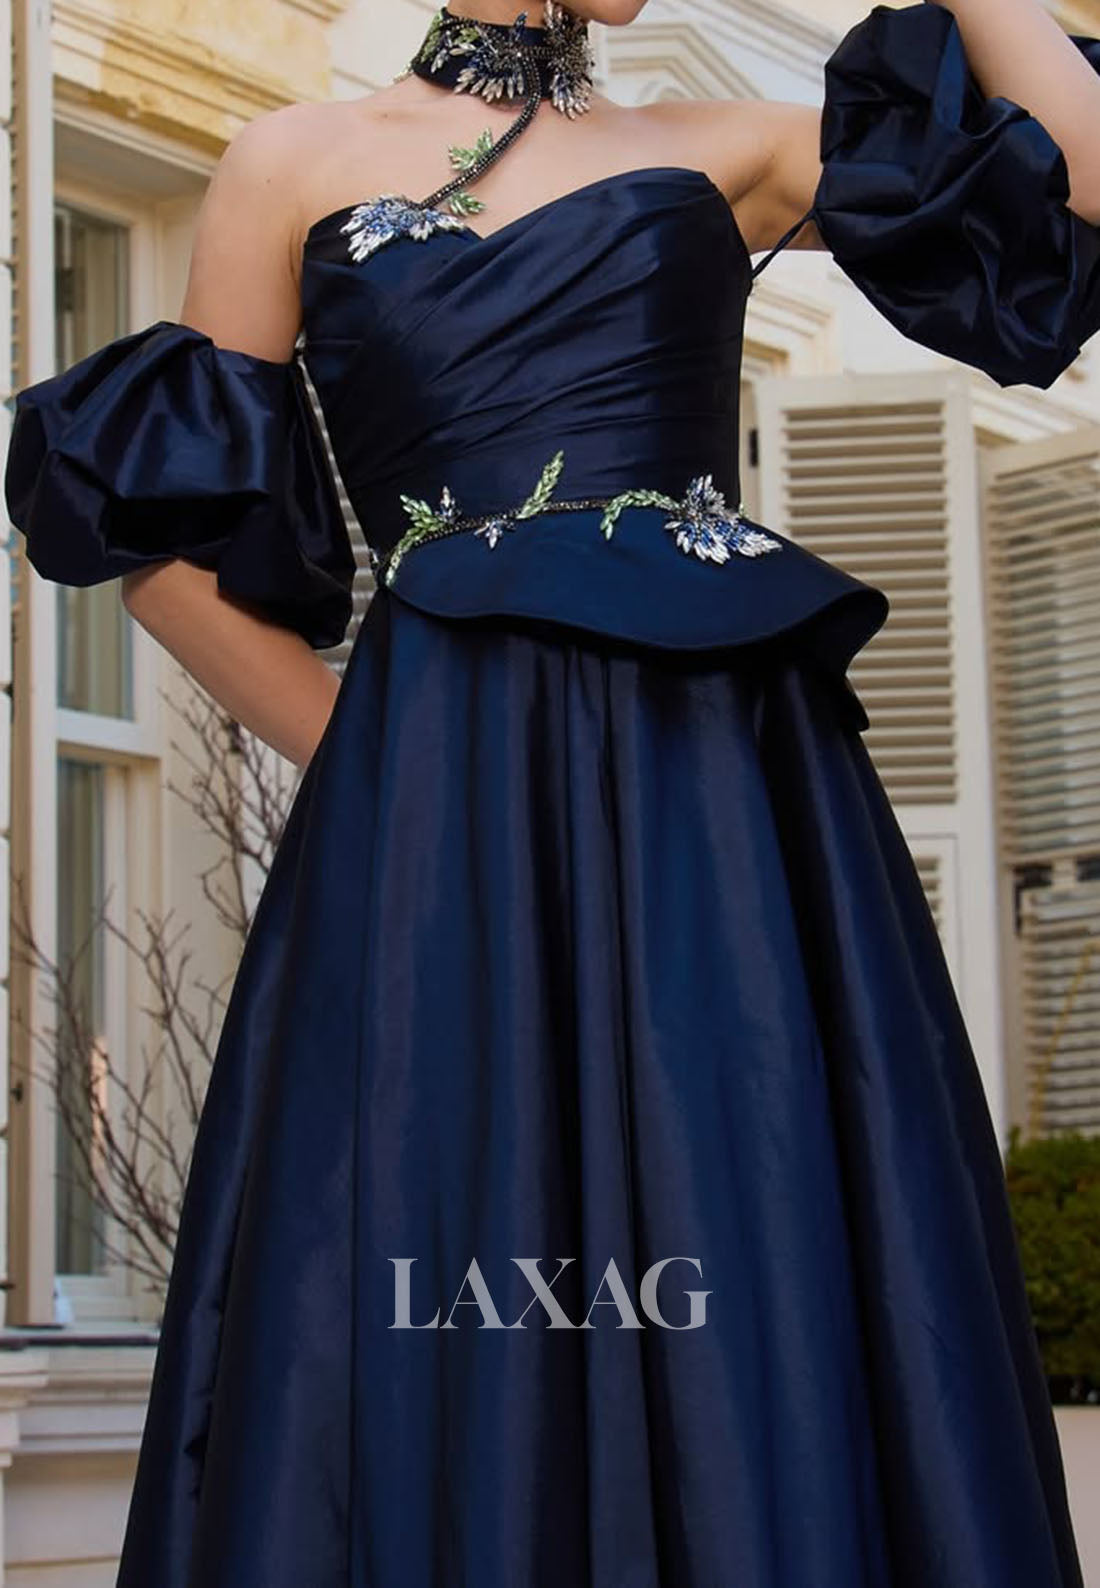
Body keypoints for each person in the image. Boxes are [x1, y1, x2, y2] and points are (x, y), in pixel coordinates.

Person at [5, 0, 1099, 1582]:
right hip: (442, 836)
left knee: (751, 1226)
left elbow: (1079, 179)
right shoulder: (287, 164)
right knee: (450, 1264)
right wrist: (398, 770)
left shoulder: (734, 144)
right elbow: (166, 564)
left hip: (726, 809)